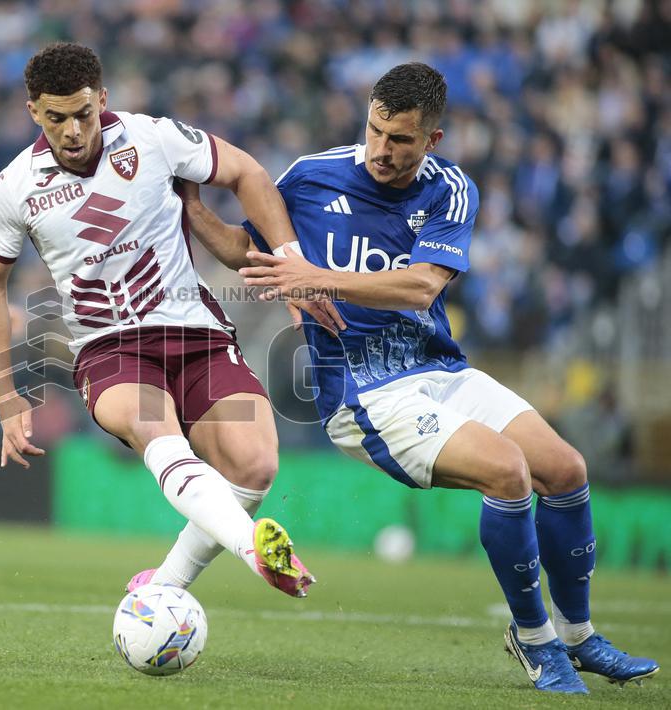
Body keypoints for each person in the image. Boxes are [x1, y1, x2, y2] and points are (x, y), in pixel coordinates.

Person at [180, 63, 659, 693]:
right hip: (364, 392)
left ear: (431, 139)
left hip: (438, 368)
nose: (381, 149)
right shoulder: (312, 175)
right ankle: (536, 640)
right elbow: (250, 251)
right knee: (508, 471)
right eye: (374, 130)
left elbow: (421, 286)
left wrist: (320, 279)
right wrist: (192, 207)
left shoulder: (451, 188)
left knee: (566, 469)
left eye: (400, 139)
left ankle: (579, 635)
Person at [0, 42, 341, 598]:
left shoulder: (154, 138)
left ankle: (163, 586)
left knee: (255, 466)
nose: (72, 131)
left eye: (83, 114)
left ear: (102, 99)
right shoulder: (14, 187)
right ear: (32, 112)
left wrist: (291, 262)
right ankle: (254, 551)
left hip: (198, 337)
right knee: (153, 427)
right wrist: (6, 395)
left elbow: (246, 171)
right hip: (110, 350)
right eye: (55, 118)